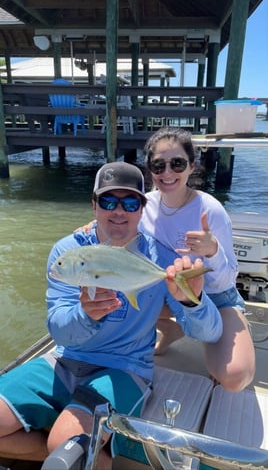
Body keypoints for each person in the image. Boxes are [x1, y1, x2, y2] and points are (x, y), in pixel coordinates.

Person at [0, 162, 222, 470]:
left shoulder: (163, 258)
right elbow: (59, 331)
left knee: (65, 443)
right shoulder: (69, 251)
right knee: (56, 445)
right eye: (108, 201)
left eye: (130, 202)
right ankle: (75, 454)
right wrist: (85, 314)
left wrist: (192, 301)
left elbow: (210, 333)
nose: (119, 211)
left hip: (125, 367)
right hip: (65, 360)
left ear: (141, 209)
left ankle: (69, 451)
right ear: (94, 205)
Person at [140, 126, 255, 391]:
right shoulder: (144, 204)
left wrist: (212, 251)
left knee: (234, 377)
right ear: (151, 169)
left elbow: (227, 278)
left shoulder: (210, 209)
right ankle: (174, 329)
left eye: (177, 163)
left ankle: (234, 324)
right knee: (121, 292)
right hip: (169, 293)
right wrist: (91, 227)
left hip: (215, 298)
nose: (167, 173)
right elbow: (118, 223)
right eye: (158, 165)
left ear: (192, 166)